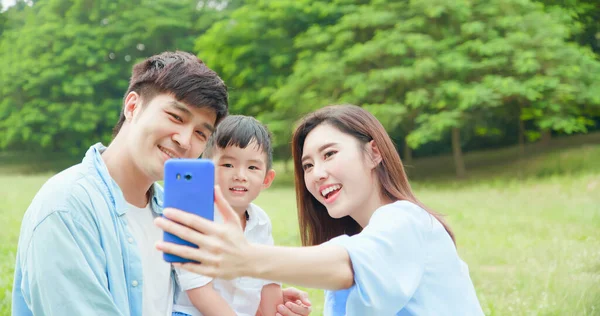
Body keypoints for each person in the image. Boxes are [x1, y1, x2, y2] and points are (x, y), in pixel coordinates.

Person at [12, 51, 311, 316]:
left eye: (200, 133)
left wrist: (251, 302)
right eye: (175, 117)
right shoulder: (67, 208)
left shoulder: (173, 209)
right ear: (132, 106)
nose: (184, 141)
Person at [155, 105, 485, 315]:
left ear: (374, 153)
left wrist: (245, 259)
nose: (317, 173)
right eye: (308, 165)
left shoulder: (405, 220)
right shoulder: (365, 238)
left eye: (329, 154)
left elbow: (348, 266)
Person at [171, 115, 284, 316]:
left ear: (267, 179)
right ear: (206, 170)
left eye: (252, 167)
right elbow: (198, 290)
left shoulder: (260, 221)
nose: (240, 175)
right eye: (228, 165)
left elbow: (269, 278)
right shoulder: (194, 218)